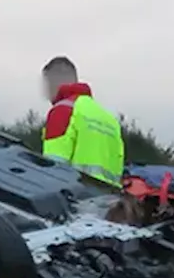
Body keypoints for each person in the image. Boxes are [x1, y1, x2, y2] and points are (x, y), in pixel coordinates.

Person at [39, 56, 125, 186]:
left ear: (52, 83)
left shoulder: (63, 110)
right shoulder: (109, 120)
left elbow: (54, 168)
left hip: (76, 198)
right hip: (109, 201)